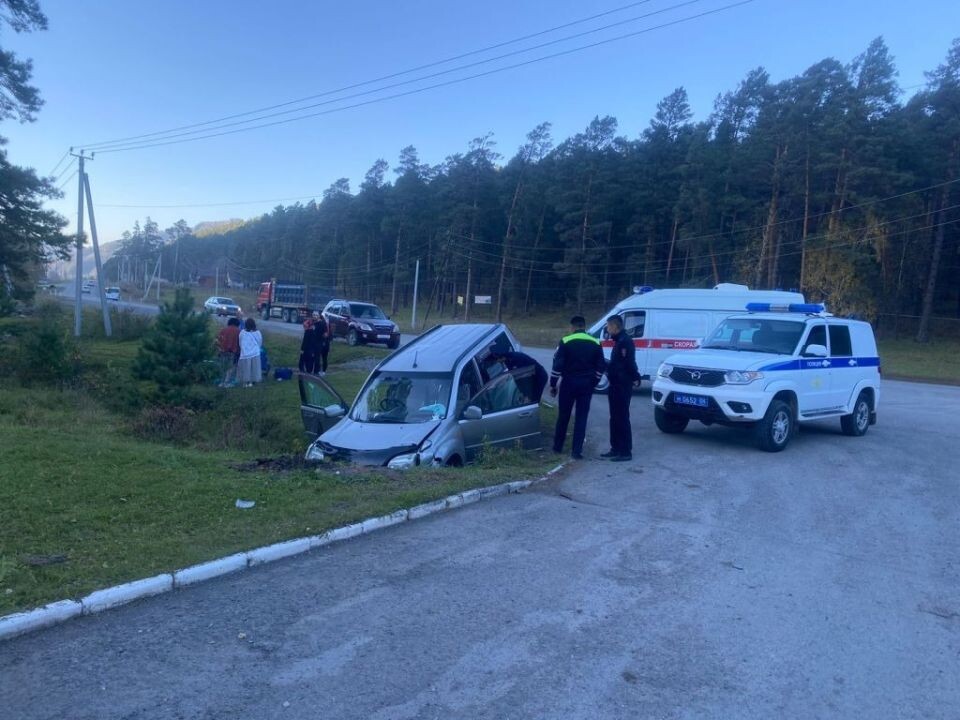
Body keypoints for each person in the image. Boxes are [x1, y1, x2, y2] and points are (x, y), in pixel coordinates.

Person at [550, 315, 606, 460]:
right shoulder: (595, 342)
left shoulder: (565, 341)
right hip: (586, 384)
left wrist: (553, 384)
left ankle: (557, 447)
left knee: (564, 416)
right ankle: (576, 451)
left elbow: (558, 365)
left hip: (568, 382)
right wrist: (594, 381)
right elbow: (601, 366)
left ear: (573, 327)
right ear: (584, 326)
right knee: (581, 417)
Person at [602, 314, 640, 462]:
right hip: (615, 384)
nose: (607, 329)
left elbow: (629, 363)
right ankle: (615, 448)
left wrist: (636, 377)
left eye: (609, 326)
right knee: (614, 417)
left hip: (623, 385)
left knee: (622, 417)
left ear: (615, 326)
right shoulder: (618, 341)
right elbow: (616, 363)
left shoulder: (625, 342)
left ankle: (625, 451)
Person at [237, 317, 263, 387]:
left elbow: (240, 342)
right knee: (253, 369)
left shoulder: (242, 332)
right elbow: (260, 342)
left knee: (245, 369)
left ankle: (245, 382)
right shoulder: (258, 333)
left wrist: (243, 349)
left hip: (245, 353)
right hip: (255, 353)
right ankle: (252, 382)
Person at [215, 317, 241, 387]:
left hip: (223, 351)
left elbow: (217, 341)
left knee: (223, 367)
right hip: (234, 352)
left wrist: (219, 349)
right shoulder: (239, 331)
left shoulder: (223, 330)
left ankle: (221, 382)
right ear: (237, 324)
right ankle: (227, 382)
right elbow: (240, 343)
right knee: (231, 367)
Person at [312, 311, 331, 375]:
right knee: (316, 357)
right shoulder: (314, 323)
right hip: (316, 343)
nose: (314, 316)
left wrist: (323, 341)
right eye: (313, 315)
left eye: (316, 315)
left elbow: (326, 334)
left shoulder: (322, 323)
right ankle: (316, 371)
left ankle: (322, 371)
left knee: (323, 357)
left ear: (319, 316)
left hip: (322, 343)